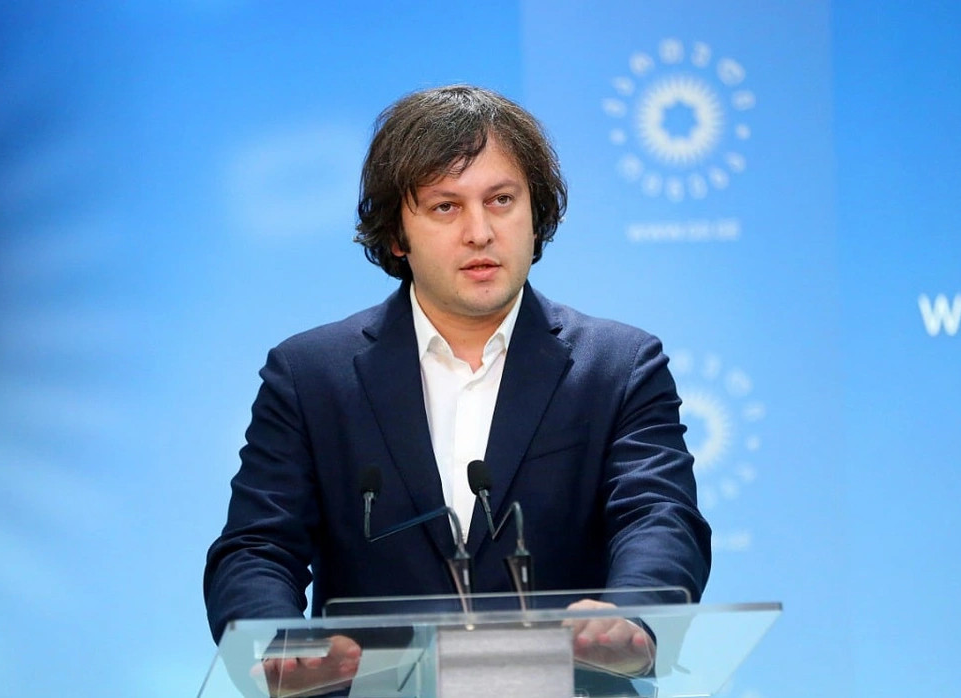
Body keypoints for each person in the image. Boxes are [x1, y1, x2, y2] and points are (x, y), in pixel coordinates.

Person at [204, 84, 711, 696]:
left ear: (535, 215)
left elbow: (658, 515)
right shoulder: (311, 375)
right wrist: (279, 640)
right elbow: (258, 546)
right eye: (446, 206)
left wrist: (633, 617)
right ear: (398, 234)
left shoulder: (619, 365)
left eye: (501, 200)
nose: (480, 232)